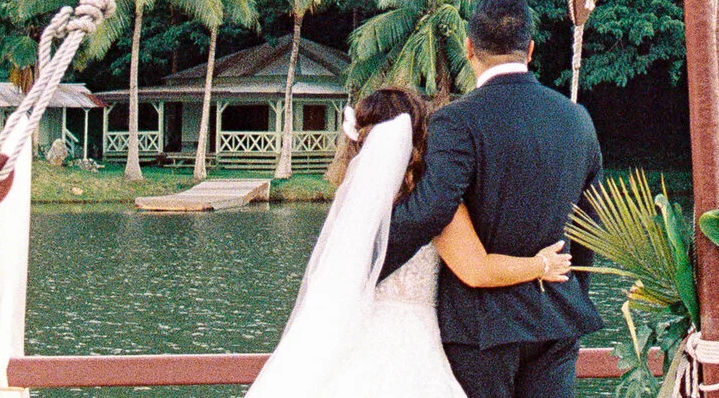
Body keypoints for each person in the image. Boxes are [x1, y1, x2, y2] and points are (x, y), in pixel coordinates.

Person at [245, 81, 574, 398]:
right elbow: (476, 270)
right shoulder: (432, 205)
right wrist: (541, 264)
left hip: (353, 339)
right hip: (412, 342)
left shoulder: (354, 206)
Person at [379, 0, 605, 398]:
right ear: (530, 49)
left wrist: (369, 259)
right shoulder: (577, 119)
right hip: (557, 318)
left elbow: (432, 209)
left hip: (481, 327)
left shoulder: (456, 121)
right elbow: (590, 222)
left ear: (469, 48)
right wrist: (571, 293)